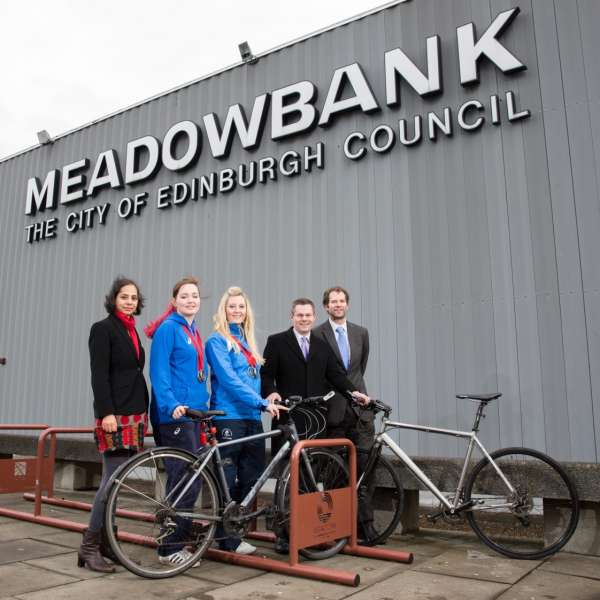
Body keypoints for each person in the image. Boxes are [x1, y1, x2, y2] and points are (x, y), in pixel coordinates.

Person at [261, 297, 370, 553]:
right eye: (299, 315)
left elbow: (336, 375)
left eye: (308, 315)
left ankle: (308, 531)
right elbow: (265, 376)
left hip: (316, 420)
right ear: (292, 317)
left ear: (313, 317)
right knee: (287, 480)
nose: (304, 319)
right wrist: (272, 393)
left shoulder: (321, 345)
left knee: (311, 480)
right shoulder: (277, 342)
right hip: (289, 419)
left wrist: (355, 393)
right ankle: (284, 535)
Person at [205, 286, 283, 555]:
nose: (237, 310)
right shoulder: (216, 341)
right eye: (232, 306)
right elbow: (229, 381)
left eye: (241, 306)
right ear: (223, 311)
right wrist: (262, 403)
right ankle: (225, 539)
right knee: (226, 480)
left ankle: (233, 532)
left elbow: (255, 379)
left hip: (252, 417)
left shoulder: (248, 341)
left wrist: (268, 395)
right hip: (230, 418)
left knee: (252, 478)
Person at [80, 277, 149, 573]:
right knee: (110, 480)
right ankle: (89, 546)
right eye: (124, 297)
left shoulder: (131, 330)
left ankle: (107, 540)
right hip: (115, 416)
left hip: (134, 414)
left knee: (118, 482)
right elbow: (99, 374)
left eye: (134, 297)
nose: (130, 301)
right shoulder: (103, 329)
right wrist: (106, 413)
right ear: (114, 299)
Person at [146, 276, 210, 566]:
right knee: (184, 479)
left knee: (192, 478)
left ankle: (178, 541)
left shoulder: (193, 330)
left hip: (193, 413)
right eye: (184, 296)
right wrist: (171, 404)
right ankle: (169, 548)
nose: (191, 300)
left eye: (195, 296)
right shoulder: (168, 329)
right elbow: (158, 372)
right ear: (174, 301)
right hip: (174, 413)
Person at [313, 286, 377, 544]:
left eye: (342, 301)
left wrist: (356, 395)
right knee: (335, 473)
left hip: (360, 412)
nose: (338, 305)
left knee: (364, 471)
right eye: (333, 302)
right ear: (326, 306)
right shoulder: (317, 334)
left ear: (347, 305)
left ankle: (366, 526)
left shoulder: (361, 333)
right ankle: (337, 528)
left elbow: (359, 370)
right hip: (334, 412)